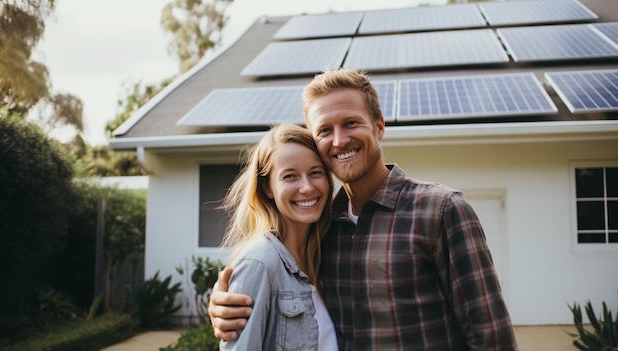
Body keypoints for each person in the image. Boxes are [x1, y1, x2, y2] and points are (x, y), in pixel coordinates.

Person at [209, 69, 518, 350]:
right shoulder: (324, 228)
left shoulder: (440, 210)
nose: (340, 140)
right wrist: (226, 305)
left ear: (379, 126)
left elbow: (491, 336)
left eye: (351, 123)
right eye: (325, 130)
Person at [216, 123, 338, 350]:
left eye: (315, 172)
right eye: (290, 176)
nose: (307, 187)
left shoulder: (327, 252)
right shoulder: (260, 263)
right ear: (267, 188)